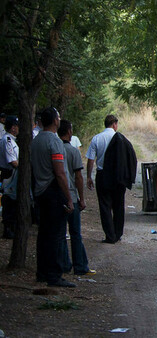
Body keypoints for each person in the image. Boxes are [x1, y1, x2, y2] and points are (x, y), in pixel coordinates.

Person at [30, 107, 75, 288]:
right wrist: (68, 197)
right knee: (56, 235)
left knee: (43, 234)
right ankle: (54, 275)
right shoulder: (54, 142)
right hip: (53, 191)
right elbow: (60, 172)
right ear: (56, 120)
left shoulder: (36, 141)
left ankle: (42, 272)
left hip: (40, 191)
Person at [57, 120, 95, 276]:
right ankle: (80, 265)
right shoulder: (73, 151)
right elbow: (78, 176)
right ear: (69, 132)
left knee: (60, 234)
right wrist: (82, 198)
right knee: (75, 234)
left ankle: (63, 264)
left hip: (58, 196)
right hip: (72, 195)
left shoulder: (55, 149)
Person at [86, 114, 119, 243]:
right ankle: (117, 233)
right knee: (117, 205)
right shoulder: (119, 138)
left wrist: (89, 176)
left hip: (102, 174)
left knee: (105, 205)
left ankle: (110, 235)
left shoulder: (97, 138)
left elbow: (90, 159)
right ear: (114, 124)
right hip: (116, 175)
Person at [1, 116, 19, 239]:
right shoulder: (7, 140)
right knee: (9, 201)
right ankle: (8, 229)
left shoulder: (12, 140)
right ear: (13, 127)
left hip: (12, 174)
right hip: (9, 174)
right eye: (17, 126)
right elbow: (12, 161)